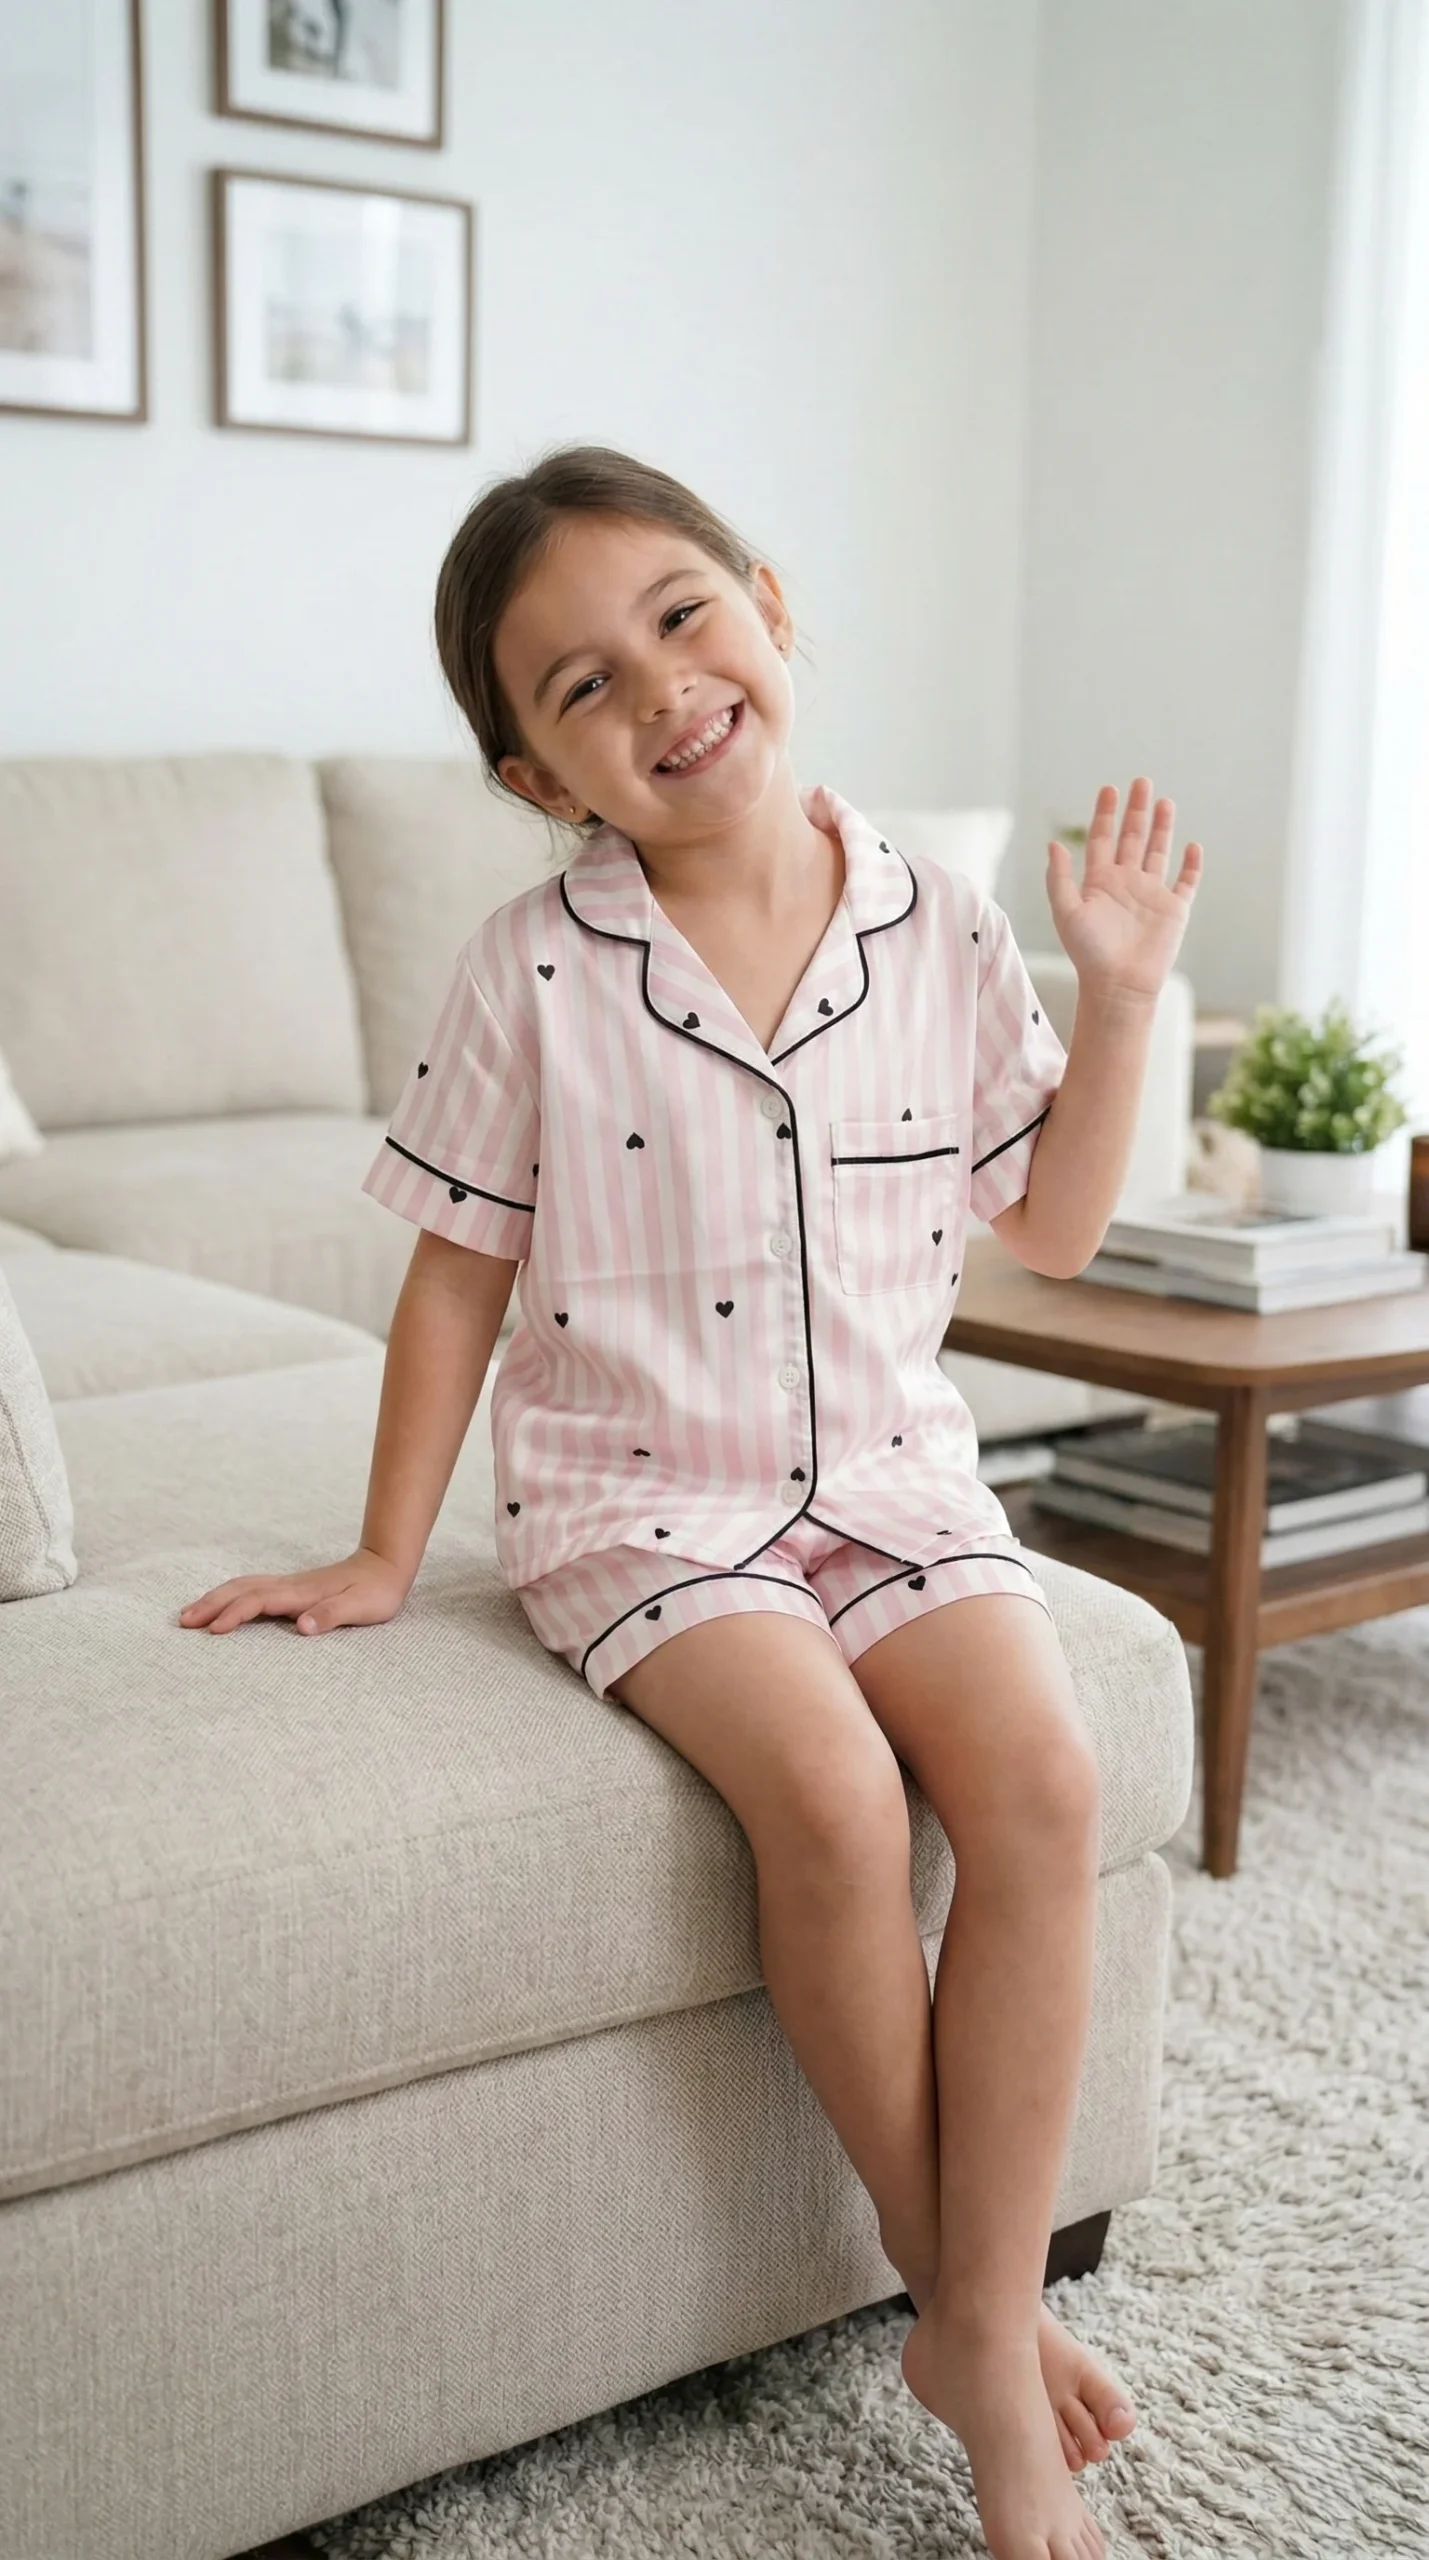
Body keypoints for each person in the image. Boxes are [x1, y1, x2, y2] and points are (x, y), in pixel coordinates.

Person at [179, 444, 1202, 2560]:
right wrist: (385, 1551)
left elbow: (1058, 1224)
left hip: (896, 1480)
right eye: (581, 686)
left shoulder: (939, 922)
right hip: (646, 1507)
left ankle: (970, 2320)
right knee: (827, 1796)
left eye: (679, 616)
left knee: (1040, 1776)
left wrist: (1120, 996)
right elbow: (455, 1271)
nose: (658, 687)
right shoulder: (530, 971)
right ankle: (974, 2327)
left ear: (767, 605)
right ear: (537, 774)